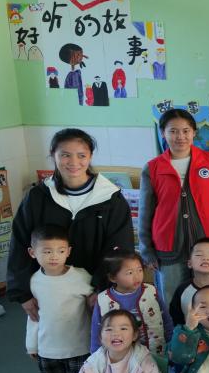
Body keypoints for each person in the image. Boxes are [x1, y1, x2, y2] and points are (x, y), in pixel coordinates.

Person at [9, 128, 134, 321]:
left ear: (90, 156)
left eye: (81, 155)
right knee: (51, 336)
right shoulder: (38, 197)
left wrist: (103, 288)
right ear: (53, 155)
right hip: (49, 292)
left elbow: (120, 248)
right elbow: (20, 242)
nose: (74, 162)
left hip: (94, 293)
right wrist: (23, 292)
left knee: (97, 337)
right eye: (65, 155)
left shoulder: (111, 199)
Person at [139, 108, 209, 302]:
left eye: (186, 131)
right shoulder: (152, 168)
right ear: (163, 133)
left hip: (207, 244)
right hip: (168, 245)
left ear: (194, 132)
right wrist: (146, 249)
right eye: (173, 131)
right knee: (173, 300)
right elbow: (145, 212)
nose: (180, 136)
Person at [25, 225, 95, 373]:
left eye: (61, 251)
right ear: (32, 253)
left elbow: (95, 307)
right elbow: (33, 316)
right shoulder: (34, 281)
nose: (54, 256)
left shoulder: (81, 276)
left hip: (80, 349)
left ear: (68, 252)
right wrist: (31, 344)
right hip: (47, 351)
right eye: (47, 251)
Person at [90, 251, 172, 357]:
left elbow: (166, 319)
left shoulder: (151, 291)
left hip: (155, 353)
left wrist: (171, 343)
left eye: (139, 270)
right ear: (113, 278)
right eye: (130, 273)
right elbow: (96, 331)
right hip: (120, 359)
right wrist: (95, 356)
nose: (137, 276)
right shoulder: (103, 300)